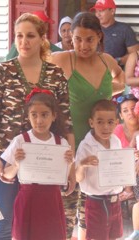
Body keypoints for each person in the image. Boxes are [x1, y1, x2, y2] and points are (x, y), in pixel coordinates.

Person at [0, 13, 75, 240]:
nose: (24, 42)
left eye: (30, 36)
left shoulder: (55, 75)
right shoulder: (1, 72)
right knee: (4, 223)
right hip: (8, 159)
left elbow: (66, 123)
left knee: (41, 226)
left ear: (43, 39)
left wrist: (71, 167)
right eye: (19, 36)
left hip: (44, 164)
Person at [51, 11, 125, 240]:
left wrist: (105, 92)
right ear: (70, 37)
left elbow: (120, 78)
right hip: (70, 148)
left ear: (99, 37)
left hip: (99, 147)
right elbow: (36, 73)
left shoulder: (107, 61)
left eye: (89, 39)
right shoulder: (64, 58)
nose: (83, 45)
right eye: (77, 39)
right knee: (65, 213)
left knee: (91, 220)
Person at [2, 89, 73, 240]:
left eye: (44, 114)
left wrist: (69, 163)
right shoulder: (20, 141)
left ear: (54, 116)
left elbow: (63, 177)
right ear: (28, 116)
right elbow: (6, 175)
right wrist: (15, 164)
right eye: (34, 115)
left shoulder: (61, 144)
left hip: (52, 200)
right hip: (28, 199)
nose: (39, 120)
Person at [75, 99, 123, 240]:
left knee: (114, 236)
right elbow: (78, 178)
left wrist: (130, 160)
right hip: (96, 201)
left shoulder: (116, 141)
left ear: (116, 123)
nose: (105, 127)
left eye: (110, 122)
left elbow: (119, 167)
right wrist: (83, 164)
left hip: (115, 200)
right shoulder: (86, 145)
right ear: (91, 123)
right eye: (100, 122)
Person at [91, 0, 139, 67]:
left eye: (101, 11)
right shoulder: (91, 29)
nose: (97, 14)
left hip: (117, 73)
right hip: (94, 71)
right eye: (96, 11)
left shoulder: (125, 29)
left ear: (112, 11)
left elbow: (136, 54)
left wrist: (118, 61)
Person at [114, 94, 139, 201]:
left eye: (133, 109)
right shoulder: (117, 130)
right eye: (125, 110)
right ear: (120, 115)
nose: (130, 113)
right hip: (123, 174)